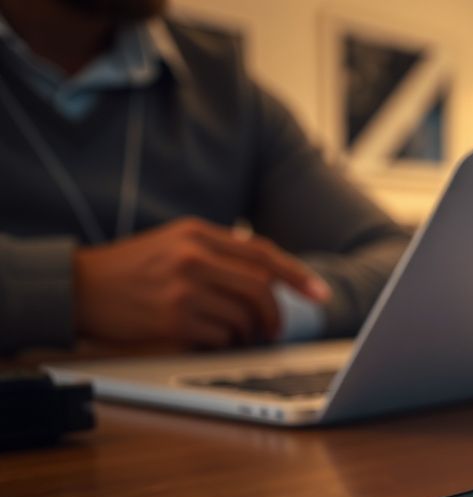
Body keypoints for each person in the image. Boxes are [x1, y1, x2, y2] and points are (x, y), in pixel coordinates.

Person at [0, 0, 408, 355]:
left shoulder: (224, 90)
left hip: (185, 428)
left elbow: (401, 262)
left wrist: (252, 302)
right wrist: (72, 291)